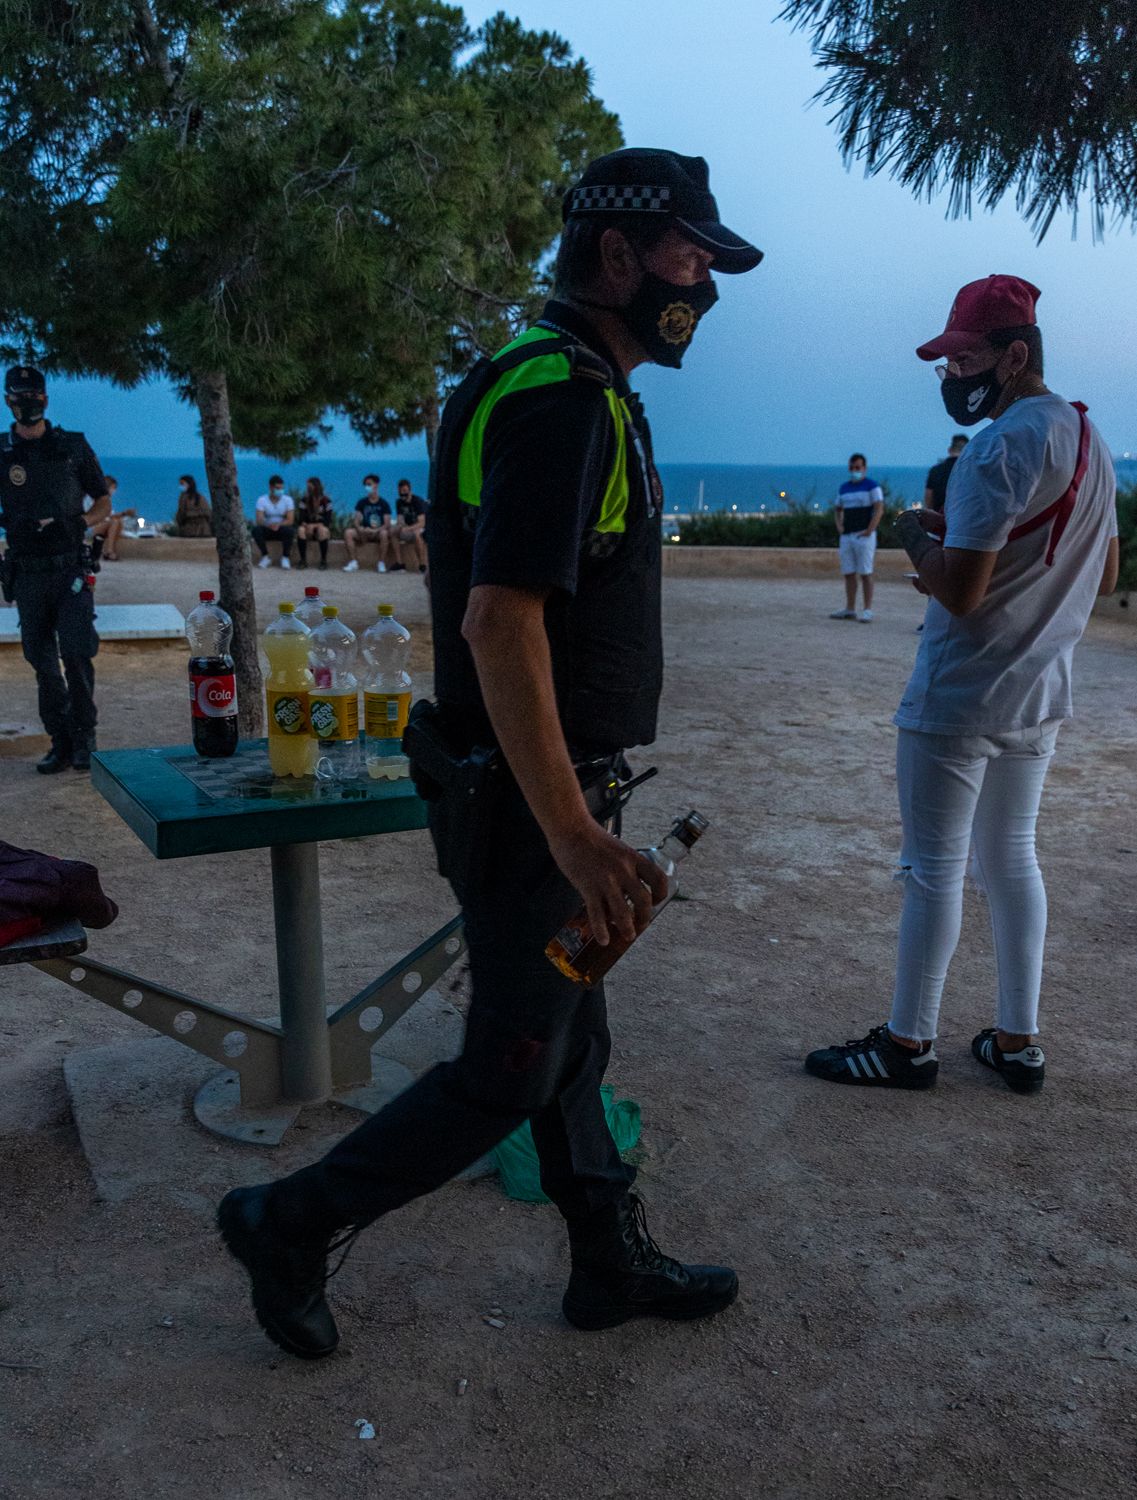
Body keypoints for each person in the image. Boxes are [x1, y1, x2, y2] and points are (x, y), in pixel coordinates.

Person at [218, 147, 764, 1359]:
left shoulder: (541, 376)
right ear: (616, 256)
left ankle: (604, 1261)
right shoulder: (561, 398)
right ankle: (285, 1221)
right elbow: (497, 618)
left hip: (531, 781)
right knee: (513, 1063)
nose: (705, 284)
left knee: (573, 1035)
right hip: (531, 799)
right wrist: (572, 831)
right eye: (690, 256)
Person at [805, 275, 1119, 1096]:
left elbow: (961, 591)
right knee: (1012, 860)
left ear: (1014, 356)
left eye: (963, 359)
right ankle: (1017, 1041)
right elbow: (1100, 565)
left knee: (932, 869)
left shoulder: (997, 446)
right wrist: (978, 550)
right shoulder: (1087, 438)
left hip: (960, 694)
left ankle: (908, 1044)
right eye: (944, 363)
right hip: (1037, 691)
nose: (952, 377)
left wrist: (917, 537)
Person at [0, 366, 111, 773]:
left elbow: (103, 501)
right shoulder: (2, 451)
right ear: (8, 400)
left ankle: (85, 738)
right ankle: (60, 740)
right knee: (41, 660)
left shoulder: (72, 446)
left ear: (45, 399)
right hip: (27, 572)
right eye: (19, 396)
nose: (28, 403)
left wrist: (76, 523)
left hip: (70, 570)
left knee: (78, 654)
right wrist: (9, 525)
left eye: (35, 395)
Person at [829, 453, 884, 622]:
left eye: (858, 468)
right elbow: (837, 509)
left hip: (864, 536)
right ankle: (850, 608)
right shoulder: (844, 488)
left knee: (866, 573)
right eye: (852, 468)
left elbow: (879, 508)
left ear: (864, 468)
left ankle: (867, 609)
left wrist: (869, 530)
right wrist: (839, 526)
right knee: (849, 573)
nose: (855, 471)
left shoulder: (872, 486)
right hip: (847, 536)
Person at [341, 474, 390, 572]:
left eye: (369, 484)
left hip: (377, 532)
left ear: (376, 485)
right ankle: (353, 562)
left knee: (384, 534)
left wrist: (375, 530)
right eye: (366, 485)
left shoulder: (383, 503)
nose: (367, 487)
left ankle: (381, 563)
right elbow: (356, 520)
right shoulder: (362, 503)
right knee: (348, 533)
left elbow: (387, 524)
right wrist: (360, 529)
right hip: (364, 532)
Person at [86, 476, 136, 560]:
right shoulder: (95, 499)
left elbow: (109, 517)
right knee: (115, 522)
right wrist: (124, 513)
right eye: (113, 488)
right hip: (90, 528)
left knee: (118, 522)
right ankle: (110, 551)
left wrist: (124, 514)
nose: (114, 491)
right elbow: (103, 516)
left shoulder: (106, 500)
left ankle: (109, 551)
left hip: (100, 527)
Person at [253, 477, 294, 568]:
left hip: (281, 528)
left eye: (281, 488)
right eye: (277, 488)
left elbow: (290, 520)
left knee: (290, 531)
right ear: (271, 488)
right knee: (256, 530)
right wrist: (268, 525)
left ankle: (285, 557)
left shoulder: (288, 500)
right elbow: (259, 519)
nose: (280, 491)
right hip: (268, 528)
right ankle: (265, 557)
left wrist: (278, 525)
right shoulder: (262, 500)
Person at [924, 434, 969, 515]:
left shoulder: (935, 471)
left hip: (940, 520)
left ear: (950, 450)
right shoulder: (971, 471)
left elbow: (929, 498)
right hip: (964, 519)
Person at [296, 477, 334, 570]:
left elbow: (328, 520)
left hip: (320, 529)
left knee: (322, 530)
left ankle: (323, 561)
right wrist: (306, 525)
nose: (308, 489)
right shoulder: (304, 500)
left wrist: (314, 525)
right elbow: (301, 518)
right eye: (308, 487)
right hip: (307, 529)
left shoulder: (326, 501)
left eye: (310, 487)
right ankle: (303, 560)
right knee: (300, 530)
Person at [391, 477, 427, 572]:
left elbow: (422, 523)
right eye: (400, 491)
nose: (402, 493)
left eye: (404, 490)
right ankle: (400, 563)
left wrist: (407, 529)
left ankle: (422, 564)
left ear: (409, 490)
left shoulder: (418, 501)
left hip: (421, 530)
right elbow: (400, 519)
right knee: (393, 532)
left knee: (417, 534)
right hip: (408, 529)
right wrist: (399, 526)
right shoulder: (399, 502)